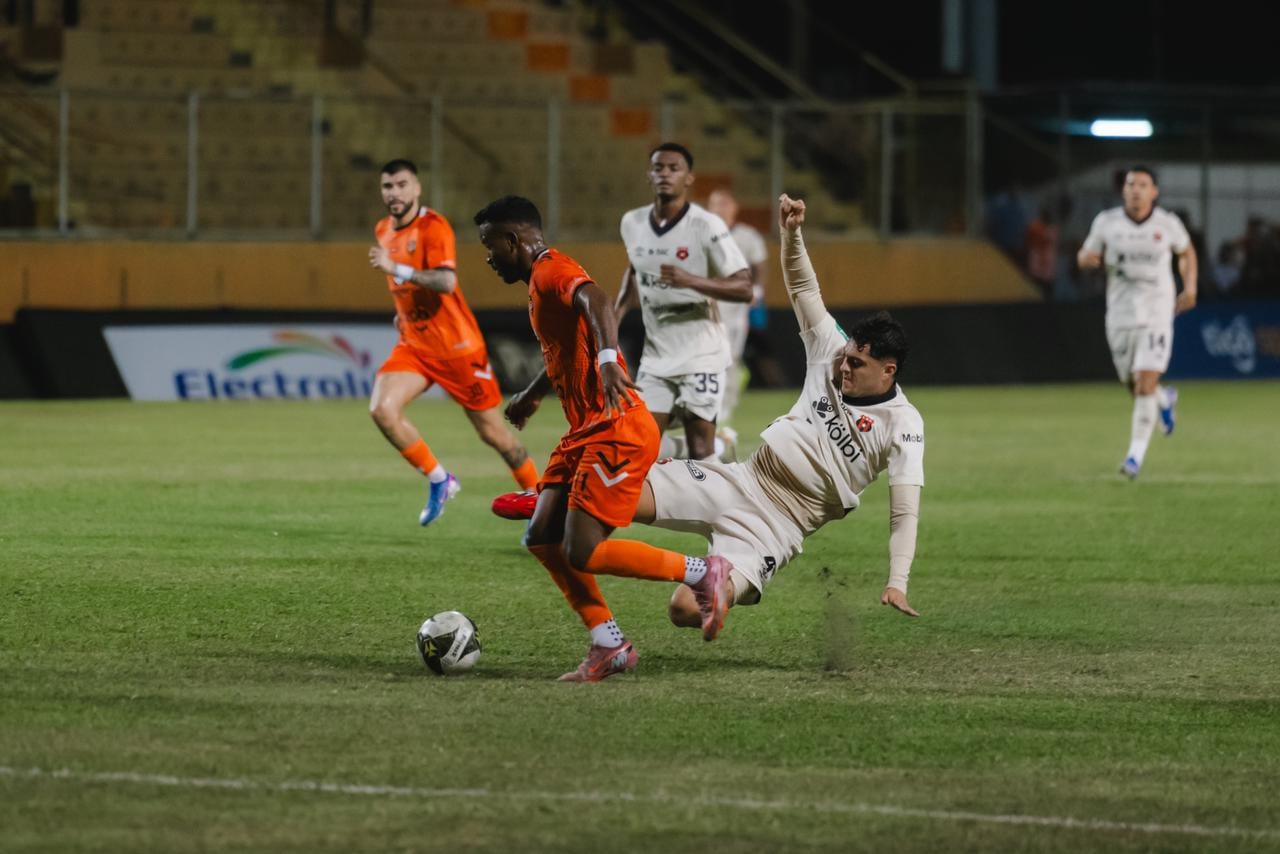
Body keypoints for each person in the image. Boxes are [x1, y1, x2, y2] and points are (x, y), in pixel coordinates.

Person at [493, 195, 925, 622]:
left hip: (777, 527)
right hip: (741, 480)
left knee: (683, 610)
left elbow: (904, 510)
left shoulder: (903, 424)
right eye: (847, 356)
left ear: (888, 371)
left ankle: (708, 578)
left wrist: (897, 580)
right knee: (620, 491)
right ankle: (559, 497)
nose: (844, 367)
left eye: (857, 364)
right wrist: (791, 234)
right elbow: (803, 287)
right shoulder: (830, 350)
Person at [474, 195, 737, 683]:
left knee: (581, 550)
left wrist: (610, 359)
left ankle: (704, 572)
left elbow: (595, 300)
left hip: (616, 426)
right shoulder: (537, 283)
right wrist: (533, 393)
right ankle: (609, 644)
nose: (488, 258)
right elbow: (566, 347)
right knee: (540, 535)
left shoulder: (553, 271)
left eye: (491, 247)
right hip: (585, 430)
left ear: (513, 240)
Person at [367, 159, 538, 526]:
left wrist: (394, 268)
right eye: (387, 186)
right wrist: (403, 311)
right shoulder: (384, 229)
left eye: (401, 185)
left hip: (457, 348)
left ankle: (539, 502)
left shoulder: (434, 226)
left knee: (495, 435)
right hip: (415, 345)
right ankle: (440, 479)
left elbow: (445, 282)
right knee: (382, 409)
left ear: (416, 189)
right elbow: (406, 286)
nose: (394, 193)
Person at [616, 143, 753, 462]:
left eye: (673, 168)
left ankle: (717, 483)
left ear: (689, 178)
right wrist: (608, 335)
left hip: (701, 354)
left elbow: (744, 287)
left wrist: (691, 280)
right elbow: (633, 275)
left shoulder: (706, 225)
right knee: (640, 448)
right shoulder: (632, 223)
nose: (665, 174)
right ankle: (720, 447)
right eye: (658, 168)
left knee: (700, 450)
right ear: (649, 175)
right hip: (657, 355)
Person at [1077, 166, 1198, 479]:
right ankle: (1164, 397)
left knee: (1144, 380)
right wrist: (1086, 259)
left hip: (1158, 311)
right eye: (1131, 184)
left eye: (1143, 185)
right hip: (1120, 314)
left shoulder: (1167, 225)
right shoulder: (1107, 223)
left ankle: (1134, 458)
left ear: (1154, 191)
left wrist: (1191, 286)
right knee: (1134, 386)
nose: (1136, 190)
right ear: (1123, 190)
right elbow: (1084, 254)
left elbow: (1186, 252)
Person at [705, 187, 770, 447]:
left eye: (723, 203)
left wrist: (759, 290)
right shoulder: (702, 234)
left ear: (733, 207)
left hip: (735, 308)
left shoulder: (747, 236)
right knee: (707, 358)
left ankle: (725, 410)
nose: (718, 208)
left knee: (730, 358)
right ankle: (707, 407)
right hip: (708, 305)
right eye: (713, 203)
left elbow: (761, 263)